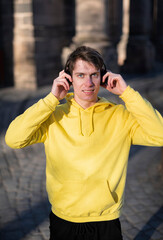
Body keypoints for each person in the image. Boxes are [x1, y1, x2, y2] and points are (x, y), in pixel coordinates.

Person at [5, 46, 163, 240]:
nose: (88, 83)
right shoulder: (53, 117)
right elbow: (13, 139)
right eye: (80, 75)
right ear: (68, 78)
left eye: (94, 75)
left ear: (103, 77)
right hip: (64, 219)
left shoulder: (120, 116)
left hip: (106, 220)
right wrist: (51, 99)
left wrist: (127, 93)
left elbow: (160, 134)